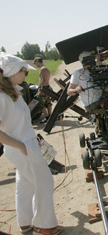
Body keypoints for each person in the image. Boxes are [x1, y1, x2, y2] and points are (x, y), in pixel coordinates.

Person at [0, 52, 62, 235]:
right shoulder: (2, 98)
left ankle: (25, 221)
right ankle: (44, 225)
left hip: (25, 144)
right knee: (44, 182)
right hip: (22, 147)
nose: (26, 75)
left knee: (25, 183)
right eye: (24, 72)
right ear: (11, 72)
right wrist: (21, 146)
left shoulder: (13, 93)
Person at [67, 51, 108, 124]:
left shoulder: (97, 70)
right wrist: (75, 90)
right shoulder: (78, 74)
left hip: (101, 99)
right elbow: (68, 91)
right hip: (92, 104)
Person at [33, 57, 52, 123]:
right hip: (47, 87)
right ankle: (50, 116)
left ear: (37, 61)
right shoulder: (46, 68)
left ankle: (47, 117)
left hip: (44, 88)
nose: (35, 65)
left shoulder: (43, 69)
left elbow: (43, 80)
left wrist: (41, 89)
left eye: (35, 63)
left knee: (40, 104)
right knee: (48, 102)